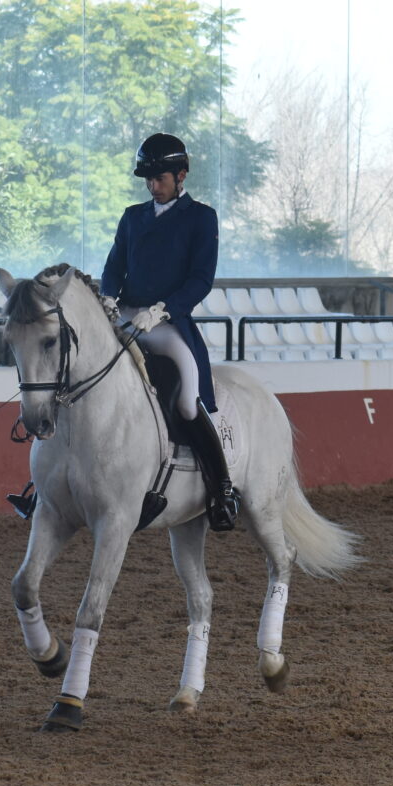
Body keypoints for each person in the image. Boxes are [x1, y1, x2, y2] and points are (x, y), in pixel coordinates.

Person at [99, 132, 239, 531]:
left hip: (165, 323)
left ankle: (222, 488)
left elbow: (200, 280)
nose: (152, 185)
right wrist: (109, 299)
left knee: (188, 399)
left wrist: (162, 310)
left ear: (181, 175)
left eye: (159, 178)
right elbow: (113, 267)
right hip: (125, 316)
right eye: (148, 179)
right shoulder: (132, 217)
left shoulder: (201, 218)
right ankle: (45, 487)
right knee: (80, 373)